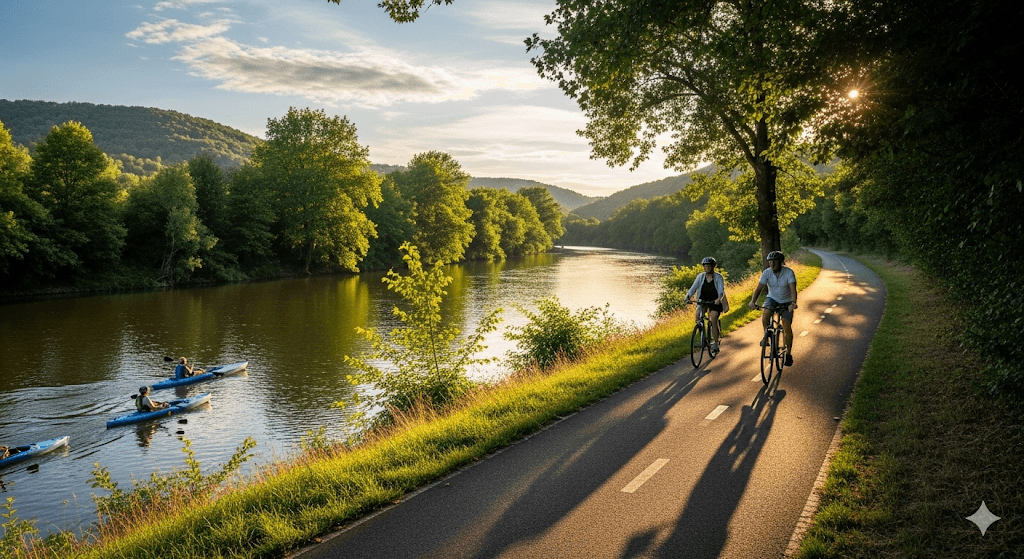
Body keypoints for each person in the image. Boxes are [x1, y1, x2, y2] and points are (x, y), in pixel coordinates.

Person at [748, 250, 798, 366]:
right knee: (766, 313)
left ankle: (788, 354)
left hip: (787, 301)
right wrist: (753, 301)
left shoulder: (788, 272)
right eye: (770, 262)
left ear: (781, 262)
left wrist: (793, 303)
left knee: (786, 325)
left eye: (774, 262)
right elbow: (759, 288)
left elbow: (793, 289)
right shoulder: (766, 273)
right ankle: (767, 335)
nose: (772, 264)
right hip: (772, 299)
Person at [686, 256, 728, 354]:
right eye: (705, 266)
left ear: (713, 266)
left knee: (713, 318)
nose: (707, 268)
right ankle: (703, 338)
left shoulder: (718, 277)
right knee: (697, 318)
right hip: (703, 301)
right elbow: (693, 288)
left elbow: (721, 291)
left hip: (715, 302)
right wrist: (687, 297)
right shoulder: (700, 276)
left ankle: (716, 343)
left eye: (709, 266)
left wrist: (718, 299)